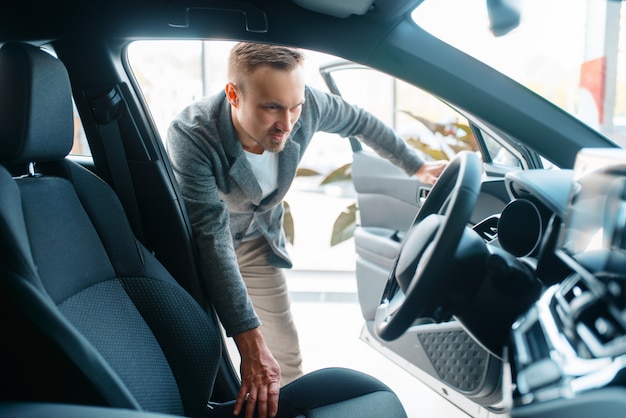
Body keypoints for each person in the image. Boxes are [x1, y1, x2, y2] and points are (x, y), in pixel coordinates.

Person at [166, 42, 448, 418]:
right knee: (208, 355)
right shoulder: (193, 134)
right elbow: (211, 238)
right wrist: (248, 344)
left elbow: (361, 121)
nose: (287, 122)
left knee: (284, 360)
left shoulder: (306, 104)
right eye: (271, 108)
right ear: (234, 94)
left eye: (294, 106)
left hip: (257, 239)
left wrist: (416, 166)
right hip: (199, 247)